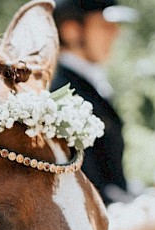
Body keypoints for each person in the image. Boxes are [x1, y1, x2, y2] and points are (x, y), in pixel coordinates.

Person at [51, 0, 139, 205]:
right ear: (71, 30)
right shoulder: (61, 95)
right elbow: (87, 186)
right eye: (105, 25)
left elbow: (111, 176)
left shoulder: (89, 85)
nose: (116, 33)